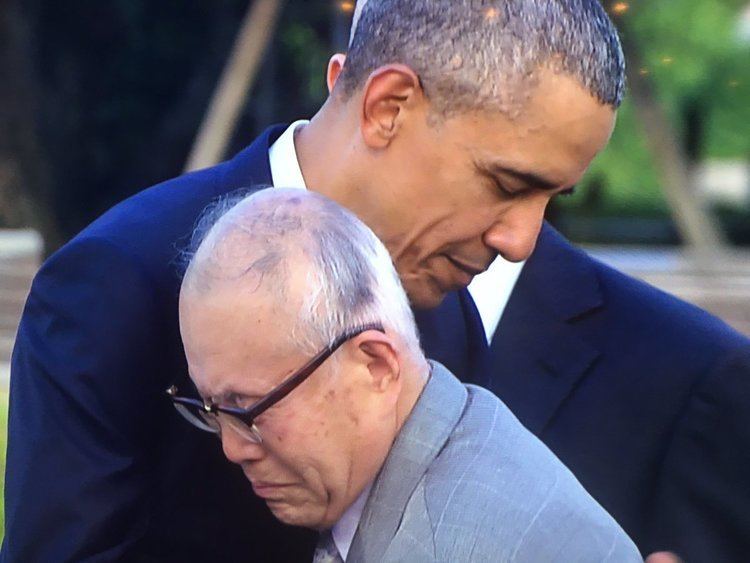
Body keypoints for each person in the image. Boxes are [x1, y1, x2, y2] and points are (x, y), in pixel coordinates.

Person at [0, 0, 670, 561]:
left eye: (553, 198)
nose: (522, 241)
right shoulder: (119, 282)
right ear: (387, 105)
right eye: (506, 182)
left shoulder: (440, 307)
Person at [175, 187, 642, 563]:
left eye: (249, 409)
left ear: (375, 364)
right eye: (210, 409)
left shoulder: (453, 546)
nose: (233, 448)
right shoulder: (454, 441)